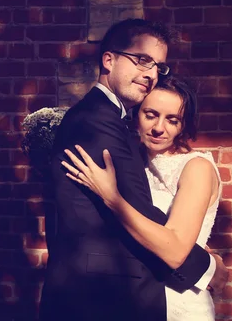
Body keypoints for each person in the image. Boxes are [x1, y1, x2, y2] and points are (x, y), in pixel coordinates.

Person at [37, 19, 229, 321]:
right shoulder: (97, 122)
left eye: (158, 66)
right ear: (109, 60)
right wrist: (207, 267)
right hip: (104, 297)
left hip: (153, 293)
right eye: (142, 60)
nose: (151, 73)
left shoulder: (111, 123)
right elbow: (143, 213)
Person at [61, 76, 221, 320]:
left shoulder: (196, 167)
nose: (159, 127)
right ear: (136, 115)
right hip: (136, 300)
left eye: (172, 120)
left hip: (180, 302)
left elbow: (176, 251)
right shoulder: (132, 161)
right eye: (151, 114)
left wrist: (111, 198)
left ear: (184, 125)